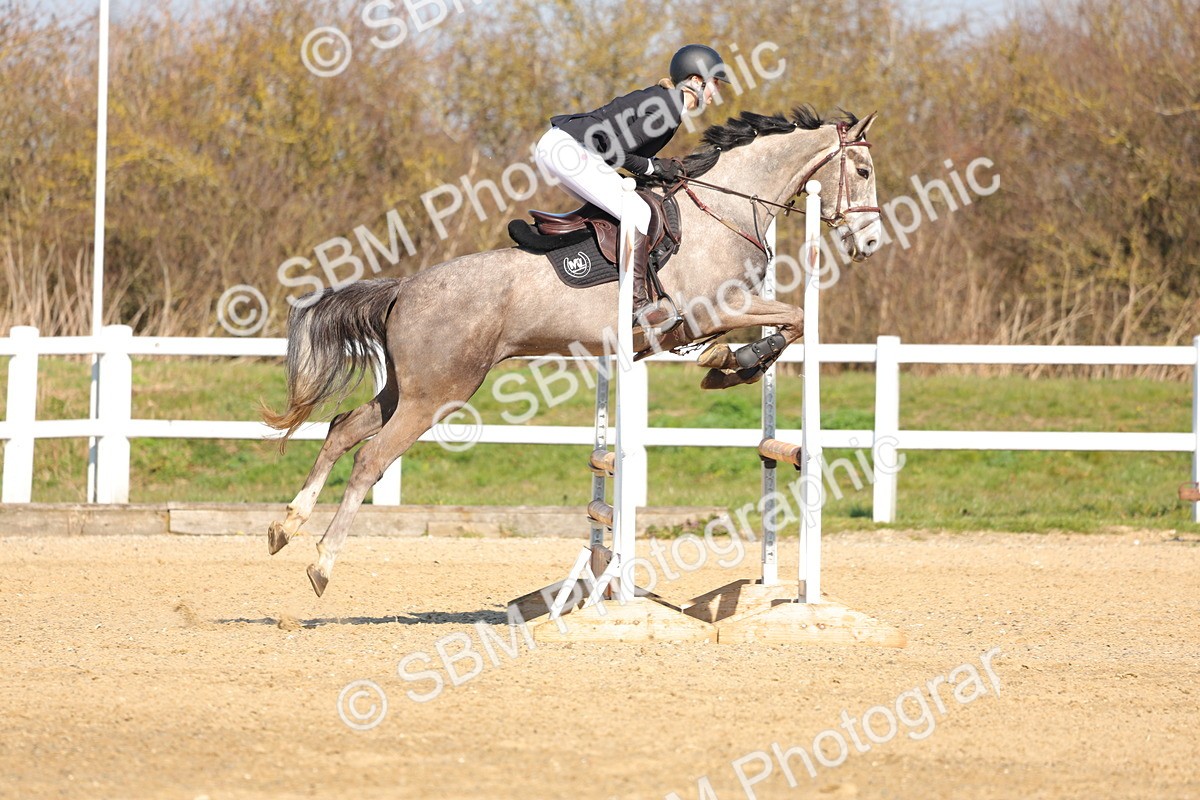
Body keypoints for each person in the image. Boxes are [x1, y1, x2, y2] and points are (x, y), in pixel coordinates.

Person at [535, 44, 728, 329]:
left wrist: (656, 166)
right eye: (715, 84)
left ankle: (594, 282)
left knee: (615, 210)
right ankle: (638, 306)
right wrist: (654, 167)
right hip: (568, 150)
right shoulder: (669, 106)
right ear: (696, 81)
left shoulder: (666, 101)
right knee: (639, 212)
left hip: (560, 147)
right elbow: (617, 153)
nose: (717, 93)